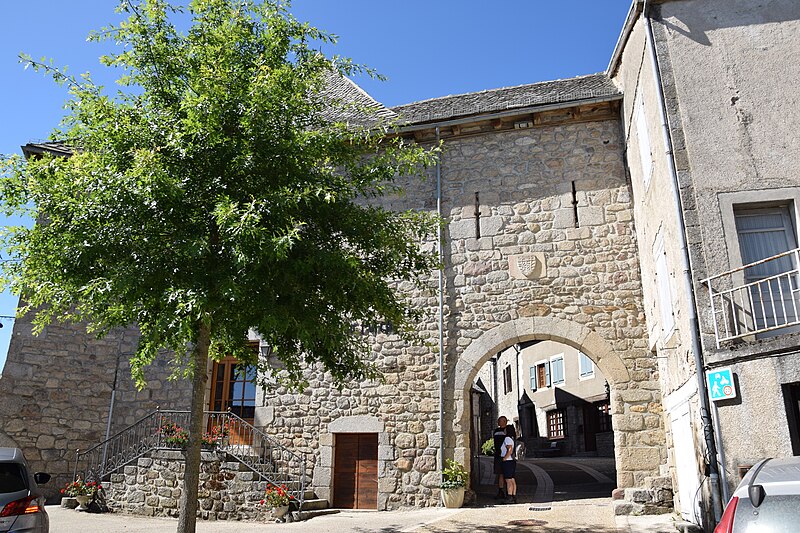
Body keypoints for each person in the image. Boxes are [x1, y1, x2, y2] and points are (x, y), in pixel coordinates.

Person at [501, 424, 518, 504]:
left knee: (508, 480)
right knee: (512, 479)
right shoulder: (512, 438)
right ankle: (514, 496)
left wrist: (505, 458)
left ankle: (509, 496)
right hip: (512, 461)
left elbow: (510, 449)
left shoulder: (507, 438)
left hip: (508, 461)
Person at [492, 416, 508, 499]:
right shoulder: (496, 431)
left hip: (506, 455)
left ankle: (509, 493)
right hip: (498, 455)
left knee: (508, 475)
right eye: (498, 421)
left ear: (504, 421)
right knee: (500, 474)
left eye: (500, 421)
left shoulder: (508, 430)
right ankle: (501, 491)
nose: (498, 422)